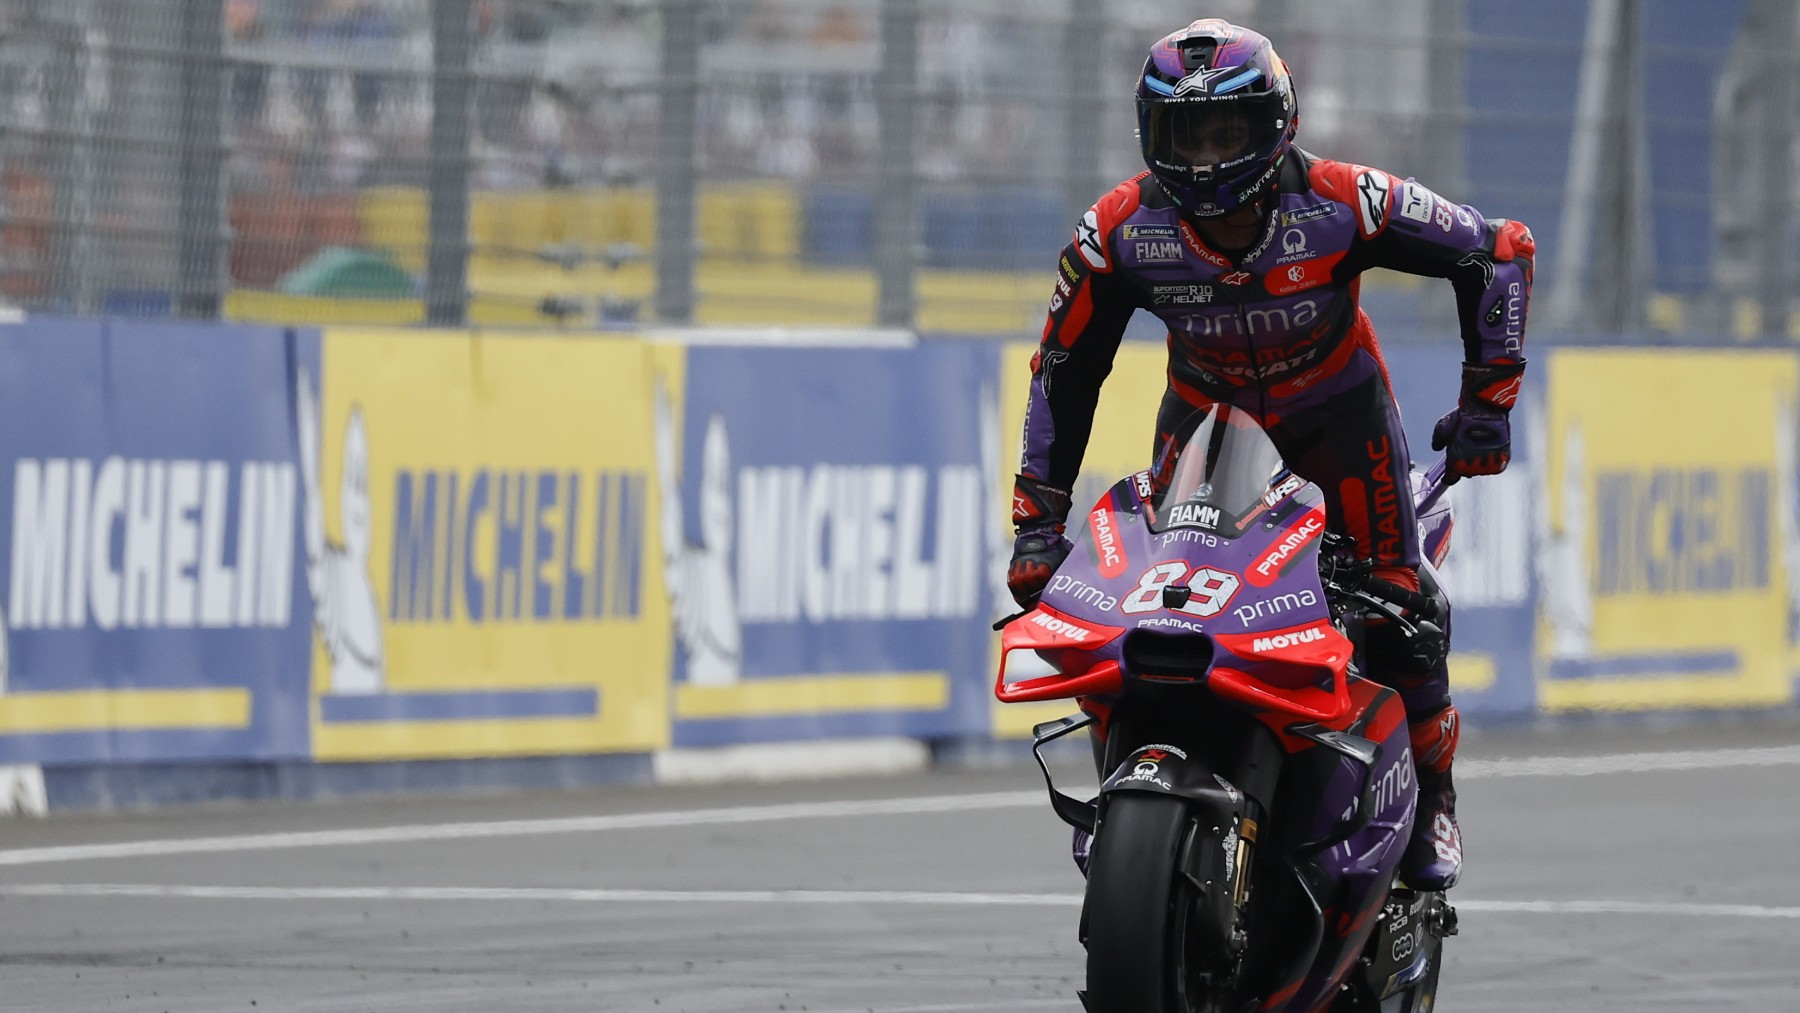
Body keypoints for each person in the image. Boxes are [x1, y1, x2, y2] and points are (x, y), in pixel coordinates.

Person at [1005, 18, 1535, 891]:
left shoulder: (1345, 199)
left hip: (1338, 425)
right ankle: (1124, 790)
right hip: (1202, 432)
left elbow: (1495, 251)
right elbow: (1064, 368)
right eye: (1187, 134)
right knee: (1149, 620)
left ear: (1277, 123)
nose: (1208, 159)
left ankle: (1434, 794)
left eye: (1227, 131)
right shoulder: (1117, 232)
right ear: (1151, 135)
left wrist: (1491, 400)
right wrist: (1036, 524)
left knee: (1405, 614)